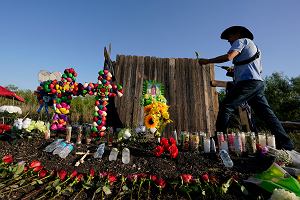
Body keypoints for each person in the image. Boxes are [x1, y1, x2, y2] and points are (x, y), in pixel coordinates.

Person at [198, 26, 294, 150]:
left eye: (229, 36)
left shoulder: (241, 41)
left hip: (248, 83)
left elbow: (229, 57)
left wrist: (207, 61)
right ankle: (286, 144)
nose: (228, 40)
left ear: (238, 34)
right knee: (267, 114)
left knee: (226, 106)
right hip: (257, 84)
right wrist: (234, 70)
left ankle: (218, 141)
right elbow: (256, 69)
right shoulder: (255, 48)